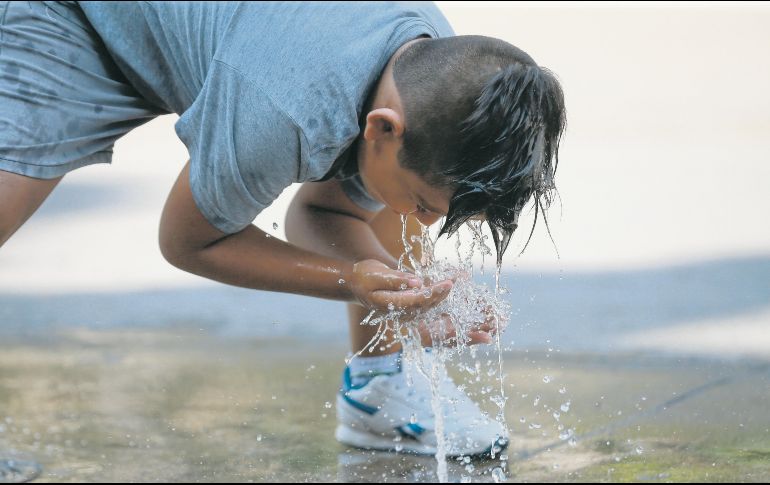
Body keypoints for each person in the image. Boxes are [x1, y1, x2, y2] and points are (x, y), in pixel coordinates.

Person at [0, 2, 565, 458]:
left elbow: (327, 212)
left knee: (396, 192)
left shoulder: (435, 69)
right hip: (78, 18)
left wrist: (399, 291)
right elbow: (189, 240)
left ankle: (379, 390)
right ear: (380, 127)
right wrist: (347, 279)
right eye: (426, 205)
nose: (427, 224)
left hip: (242, 39)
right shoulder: (284, 109)